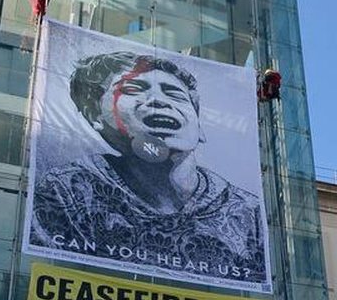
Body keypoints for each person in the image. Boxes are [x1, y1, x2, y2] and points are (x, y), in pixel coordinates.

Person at [29, 49, 268, 286]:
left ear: (198, 124)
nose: (158, 102)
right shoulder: (66, 189)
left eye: (175, 94)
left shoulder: (249, 212)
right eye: (133, 90)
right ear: (95, 116)